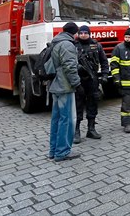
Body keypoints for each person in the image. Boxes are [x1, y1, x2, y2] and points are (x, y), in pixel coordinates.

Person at [47, 22, 82, 162]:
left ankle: (53, 150)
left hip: (55, 85)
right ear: (74, 32)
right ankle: (62, 152)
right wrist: (77, 83)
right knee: (66, 120)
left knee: (56, 119)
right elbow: (69, 67)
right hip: (64, 86)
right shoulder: (67, 44)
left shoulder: (56, 41)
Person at [73, 25, 110, 143]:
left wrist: (104, 75)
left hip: (92, 79)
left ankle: (91, 129)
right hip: (78, 80)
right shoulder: (73, 45)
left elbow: (104, 61)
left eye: (85, 33)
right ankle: (76, 131)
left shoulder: (96, 45)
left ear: (89, 34)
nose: (83, 35)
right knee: (77, 104)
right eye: (81, 33)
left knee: (93, 103)